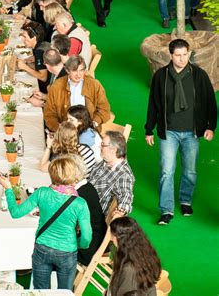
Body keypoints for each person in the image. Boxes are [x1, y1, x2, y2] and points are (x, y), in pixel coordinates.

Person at [145, 38, 216, 225]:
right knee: (166, 171)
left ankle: (185, 200)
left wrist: (210, 126)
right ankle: (166, 210)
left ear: (189, 53)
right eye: (178, 55)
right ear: (171, 55)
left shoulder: (199, 75)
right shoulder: (160, 76)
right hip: (169, 132)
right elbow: (153, 103)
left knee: (190, 171)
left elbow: (210, 101)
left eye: (185, 54)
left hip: (192, 132)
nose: (182, 59)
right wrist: (148, 129)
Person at [0, 155, 92, 290]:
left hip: (42, 248)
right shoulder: (80, 203)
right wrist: (78, 245)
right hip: (67, 251)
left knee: (41, 291)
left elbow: (16, 213)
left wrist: (8, 188)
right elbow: (87, 237)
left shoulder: (42, 192)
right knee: (65, 292)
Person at [43, 56, 111, 133]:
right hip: (65, 132)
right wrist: (60, 130)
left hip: (89, 130)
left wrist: (93, 124)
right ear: (67, 70)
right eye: (74, 71)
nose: (78, 75)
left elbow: (104, 110)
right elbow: (49, 114)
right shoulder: (56, 86)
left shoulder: (94, 85)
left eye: (81, 70)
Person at [108, 217, 162, 296]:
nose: (110, 239)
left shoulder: (129, 269)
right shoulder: (143, 254)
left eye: (112, 235)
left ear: (120, 239)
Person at [89, 131, 135, 217]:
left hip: (90, 216)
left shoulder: (123, 175)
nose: (99, 146)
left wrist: (121, 211)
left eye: (103, 145)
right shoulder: (105, 161)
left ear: (113, 150)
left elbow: (126, 196)